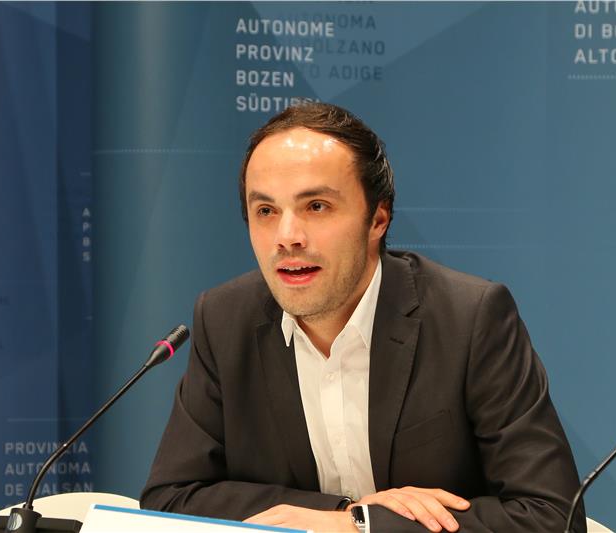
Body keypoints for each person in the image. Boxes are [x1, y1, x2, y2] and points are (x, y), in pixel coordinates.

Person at [141, 102, 584, 532]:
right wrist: (342, 514)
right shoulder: (224, 320)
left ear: (378, 219)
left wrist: (364, 527)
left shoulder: (469, 319)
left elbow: (552, 516)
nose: (287, 237)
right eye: (266, 211)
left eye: (316, 206)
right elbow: (171, 497)